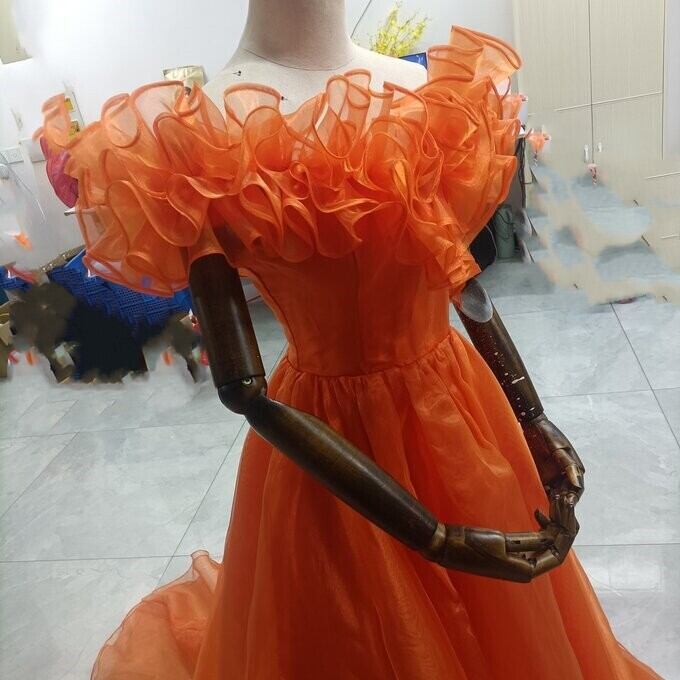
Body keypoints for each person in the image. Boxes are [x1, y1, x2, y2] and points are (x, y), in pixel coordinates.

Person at [38, 2, 661, 678]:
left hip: (463, 410)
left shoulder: (423, 93)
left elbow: (459, 279)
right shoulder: (202, 144)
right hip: (330, 441)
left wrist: (533, 416)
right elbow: (243, 390)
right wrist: (435, 536)